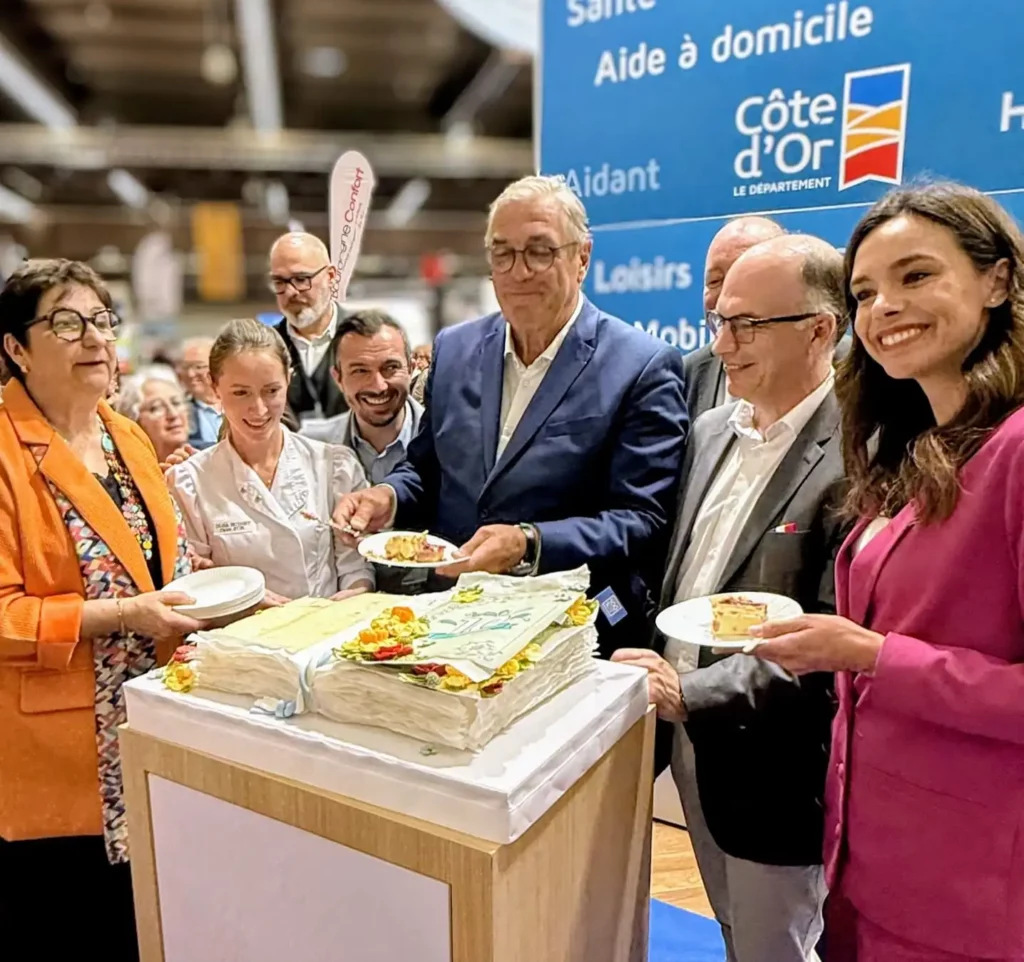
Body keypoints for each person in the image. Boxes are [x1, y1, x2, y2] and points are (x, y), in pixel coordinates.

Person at [754, 184, 1024, 961]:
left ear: (997, 281)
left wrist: (871, 656)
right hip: (868, 866)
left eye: (916, 276)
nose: (884, 308)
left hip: (971, 894)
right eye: (866, 292)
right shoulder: (916, 449)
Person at [614, 234, 850, 962]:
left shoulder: (859, 453)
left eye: (746, 325)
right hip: (686, 741)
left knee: (776, 947)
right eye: (718, 319)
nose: (721, 344)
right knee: (731, 931)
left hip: (777, 767)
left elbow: (833, 639)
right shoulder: (713, 429)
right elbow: (687, 575)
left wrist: (693, 692)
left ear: (820, 328)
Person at [334, 174, 688, 654]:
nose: (519, 271)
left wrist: (530, 542)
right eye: (503, 253)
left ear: (582, 257)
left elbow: (642, 518)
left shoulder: (641, 365)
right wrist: (386, 496)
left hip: (566, 630)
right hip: (449, 617)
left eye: (540, 251)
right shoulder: (455, 349)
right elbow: (426, 467)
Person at [0, 259, 203, 959]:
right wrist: (126, 616)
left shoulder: (127, 438)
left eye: (101, 320)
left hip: (153, 725)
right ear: (16, 349)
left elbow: (151, 563)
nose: (92, 337)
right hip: (61, 749)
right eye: (65, 321)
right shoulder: (3, 450)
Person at [168, 318, 373, 604]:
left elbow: (354, 564)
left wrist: (354, 594)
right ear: (214, 388)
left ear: (289, 380)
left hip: (327, 633)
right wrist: (247, 599)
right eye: (241, 393)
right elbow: (195, 582)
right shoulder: (191, 481)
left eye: (271, 390)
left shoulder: (333, 465)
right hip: (238, 641)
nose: (259, 409)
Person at [302, 309, 424, 481]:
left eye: (390, 367)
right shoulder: (309, 447)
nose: (378, 386)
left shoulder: (446, 441)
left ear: (411, 369)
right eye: (360, 371)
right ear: (338, 379)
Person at [683, 217, 785, 420]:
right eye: (715, 281)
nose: (724, 298)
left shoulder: (844, 369)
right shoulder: (687, 375)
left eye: (742, 276)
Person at [268, 232, 348, 423]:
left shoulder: (364, 340)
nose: (290, 292)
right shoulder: (264, 348)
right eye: (279, 282)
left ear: (330, 276)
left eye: (302, 279)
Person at [117, 367, 190, 463]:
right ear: (135, 421)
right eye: (156, 408)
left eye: (176, 403)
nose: (173, 414)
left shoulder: (206, 460)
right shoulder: (128, 472)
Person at [175, 336, 222, 450]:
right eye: (185, 368)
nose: (191, 374)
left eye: (199, 367)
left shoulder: (237, 404)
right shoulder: (180, 410)